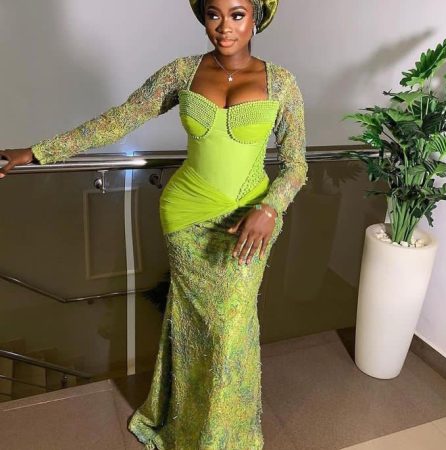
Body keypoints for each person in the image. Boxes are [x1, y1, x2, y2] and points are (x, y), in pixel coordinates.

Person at [0, 0, 308, 447]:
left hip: (250, 223)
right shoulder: (182, 72)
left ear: (256, 18)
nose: (224, 27)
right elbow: (119, 120)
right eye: (214, 14)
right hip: (186, 217)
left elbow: (297, 165)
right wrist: (37, 152)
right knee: (191, 326)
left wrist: (271, 208)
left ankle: (223, 438)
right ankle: (183, 426)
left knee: (230, 329)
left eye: (237, 14)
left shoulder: (281, 83)